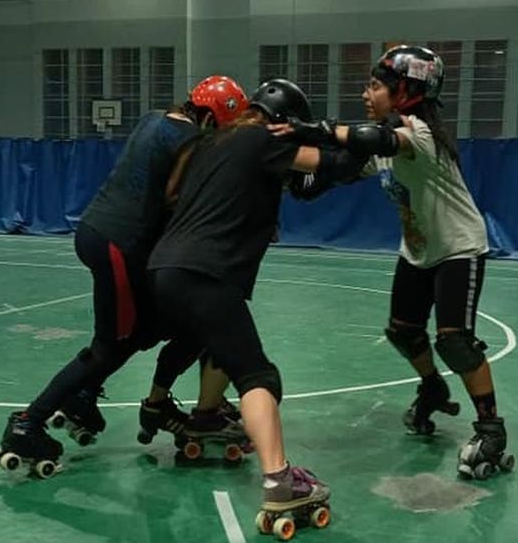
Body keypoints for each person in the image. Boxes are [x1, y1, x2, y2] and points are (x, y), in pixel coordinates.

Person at [275, 45, 514, 480]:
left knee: (454, 340)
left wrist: (316, 128)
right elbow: (333, 165)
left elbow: (372, 138)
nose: (366, 93)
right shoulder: (389, 140)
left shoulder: (417, 134)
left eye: (375, 86)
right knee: (402, 331)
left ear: (404, 91)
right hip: (419, 251)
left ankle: (491, 430)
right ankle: (432, 386)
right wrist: (274, 150)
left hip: (459, 247)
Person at [0, 75, 249, 475]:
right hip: (119, 244)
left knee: (144, 330)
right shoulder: (192, 142)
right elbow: (174, 199)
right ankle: (28, 422)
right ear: (212, 121)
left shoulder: (153, 119)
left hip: (100, 232)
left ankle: (85, 394)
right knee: (112, 346)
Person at [148, 79, 365, 532]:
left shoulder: (216, 141)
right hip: (207, 271)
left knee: (220, 347)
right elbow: (331, 165)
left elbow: (300, 183)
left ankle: (205, 416)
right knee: (258, 376)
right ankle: (279, 481)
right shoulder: (261, 139)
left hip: (166, 268)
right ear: (283, 120)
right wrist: (361, 144)